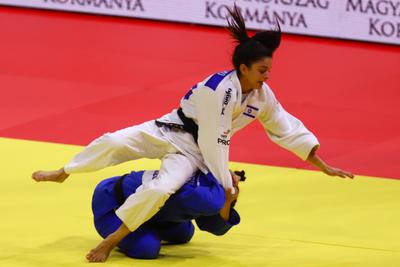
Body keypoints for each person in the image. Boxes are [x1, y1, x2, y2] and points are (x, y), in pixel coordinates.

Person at [32, 5, 354, 262]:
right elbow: (217, 140)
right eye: (262, 71)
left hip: (195, 153)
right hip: (171, 129)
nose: (267, 77)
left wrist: (321, 163)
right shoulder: (219, 91)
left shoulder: (260, 96)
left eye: (269, 70)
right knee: (114, 141)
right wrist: (226, 180)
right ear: (243, 68)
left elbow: (284, 126)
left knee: (163, 189)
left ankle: (111, 240)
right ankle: (64, 171)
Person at [87, 169, 242, 261]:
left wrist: (228, 200)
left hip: (156, 209)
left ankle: (150, 225)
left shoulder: (209, 177)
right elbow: (140, 209)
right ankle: (124, 234)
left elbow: (212, 224)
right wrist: (109, 243)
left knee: (184, 234)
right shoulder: (196, 194)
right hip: (113, 204)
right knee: (147, 249)